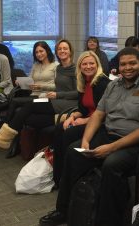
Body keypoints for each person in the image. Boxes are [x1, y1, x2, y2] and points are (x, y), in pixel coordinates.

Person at [39, 47, 139, 226]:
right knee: (73, 152)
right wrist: (85, 140)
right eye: (123, 64)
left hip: (137, 143)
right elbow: (99, 114)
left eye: (132, 63)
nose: (127, 67)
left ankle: (107, 219)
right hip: (108, 134)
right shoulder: (114, 85)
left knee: (111, 164)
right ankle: (64, 210)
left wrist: (111, 148)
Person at [0, 39, 78, 150]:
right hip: (52, 100)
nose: (62, 51)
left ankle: (2, 139)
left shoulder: (75, 69)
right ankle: (14, 143)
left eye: (65, 48)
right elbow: (55, 86)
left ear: (70, 51)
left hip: (64, 103)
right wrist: (23, 82)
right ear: (56, 51)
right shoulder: (60, 68)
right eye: (59, 49)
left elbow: (79, 93)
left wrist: (56, 94)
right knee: (28, 117)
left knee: (29, 105)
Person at [52, 50, 110, 185]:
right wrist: (71, 117)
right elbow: (82, 109)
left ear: (97, 64)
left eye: (91, 63)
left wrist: (83, 120)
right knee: (60, 128)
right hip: (87, 119)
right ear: (80, 66)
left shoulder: (102, 82)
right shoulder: (83, 81)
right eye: (84, 64)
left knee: (69, 133)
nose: (88, 66)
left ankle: (69, 178)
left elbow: (104, 113)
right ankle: (58, 175)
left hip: (99, 123)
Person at [6, 41, 57, 122]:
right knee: (15, 103)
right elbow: (30, 80)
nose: (39, 54)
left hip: (46, 97)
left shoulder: (55, 66)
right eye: (36, 52)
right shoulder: (36, 65)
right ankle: (11, 129)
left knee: (15, 102)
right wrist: (21, 82)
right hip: (34, 95)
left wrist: (41, 86)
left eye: (41, 51)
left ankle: (6, 127)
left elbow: (57, 86)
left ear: (47, 50)